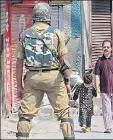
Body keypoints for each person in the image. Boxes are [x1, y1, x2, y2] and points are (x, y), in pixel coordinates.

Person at [15, 2, 75, 140]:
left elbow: (18, 64)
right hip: (53, 78)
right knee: (64, 115)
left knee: (25, 116)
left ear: (34, 16)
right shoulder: (56, 33)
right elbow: (64, 61)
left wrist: (19, 86)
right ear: (48, 16)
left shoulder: (24, 35)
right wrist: (67, 82)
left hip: (32, 78)